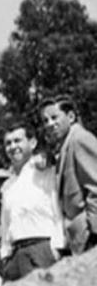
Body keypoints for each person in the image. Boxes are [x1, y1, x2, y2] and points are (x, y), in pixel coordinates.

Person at [0, 120, 64, 280]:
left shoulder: (46, 171)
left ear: (32, 142)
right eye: (8, 143)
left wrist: (57, 248)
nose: (13, 147)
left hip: (42, 249)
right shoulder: (8, 186)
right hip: (15, 256)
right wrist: (5, 256)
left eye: (17, 140)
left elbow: (58, 211)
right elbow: (6, 224)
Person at [40, 95, 97, 254]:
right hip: (79, 240)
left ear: (71, 117)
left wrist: (94, 233)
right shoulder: (65, 147)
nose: (50, 124)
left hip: (90, 237)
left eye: (54, 117)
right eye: (45, 121)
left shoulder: (79, 139)